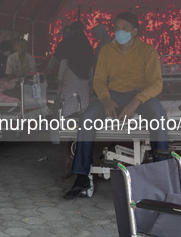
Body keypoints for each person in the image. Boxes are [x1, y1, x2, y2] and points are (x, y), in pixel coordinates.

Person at [65, 11, 168, 199]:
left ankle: (161, 174)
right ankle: (81, 177)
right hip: (112, 95)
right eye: (116, 28)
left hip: (139, 95)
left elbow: (156, 83)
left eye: (125, 28)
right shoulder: (106, 50)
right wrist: (105, 99)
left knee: (159, 116)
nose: (119, 32)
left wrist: (137, 101)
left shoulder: (147, 51)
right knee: (87, 119)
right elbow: (98, 81)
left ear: (134, 31)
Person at [54, 22, 94, 117]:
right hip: (84, 79)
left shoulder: (69, 43)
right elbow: (91, 64)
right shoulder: (86, 44)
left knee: (68, 100)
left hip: (69, 76)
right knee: (81, 100)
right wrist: (91, 80)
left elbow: (64, 61)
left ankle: (67, 122)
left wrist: (60, 78)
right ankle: (82, 121)